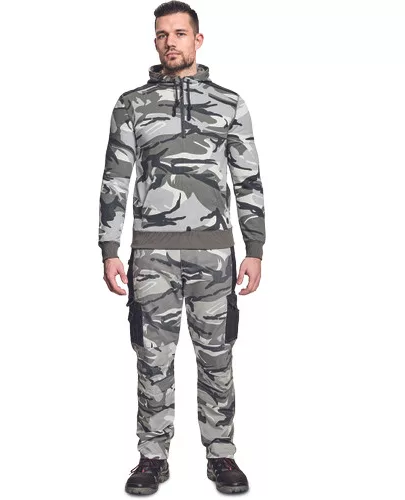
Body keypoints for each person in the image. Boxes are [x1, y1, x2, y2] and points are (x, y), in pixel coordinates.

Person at [98, 1, 265, 495]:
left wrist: (255, 247)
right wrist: (109, 246)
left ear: (198, 39)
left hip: (216, 256)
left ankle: (221, 455)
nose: (169, 42)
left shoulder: (229, 104)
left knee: (218, 359)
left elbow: (248, 178)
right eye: (161, 35)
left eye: (179, 33)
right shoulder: (132, 104)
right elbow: (115, 179)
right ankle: (152, 457)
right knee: (153, 360)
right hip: (151, 257)